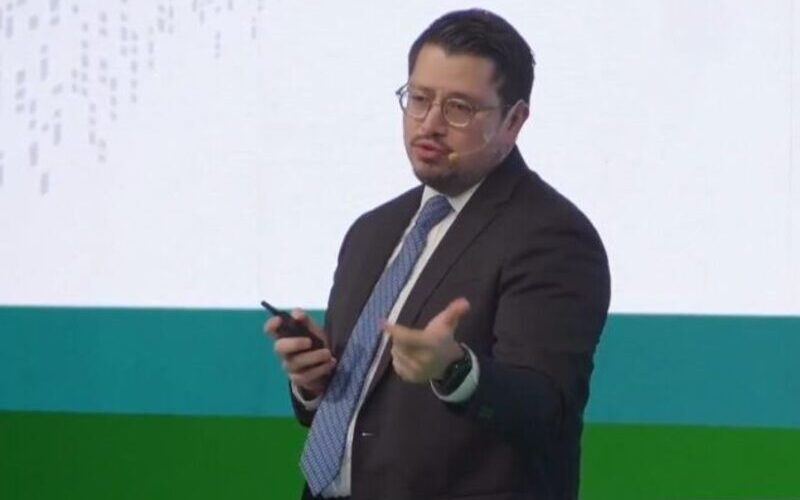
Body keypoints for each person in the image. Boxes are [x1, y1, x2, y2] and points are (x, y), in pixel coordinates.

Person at [265, 9, 610, 500]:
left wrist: (455, 370)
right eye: (419, 99)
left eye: (459, 108)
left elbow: (544, 409)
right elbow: (360, 414)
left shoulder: (553, 237)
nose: (429, 124)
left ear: (514, 120)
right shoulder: (371, 231)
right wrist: (315, 383)